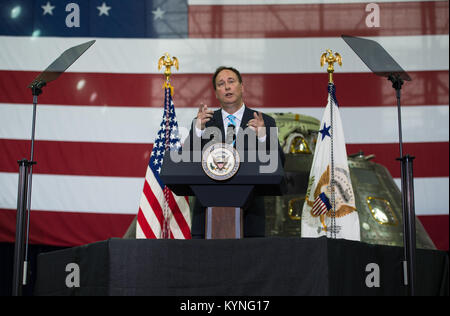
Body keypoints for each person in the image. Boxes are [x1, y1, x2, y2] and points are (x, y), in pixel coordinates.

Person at [186, 66, 285, 239]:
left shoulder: (264, 122)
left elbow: (279, 163)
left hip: (250, 217)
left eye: (231, 81)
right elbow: (185, 161)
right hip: (206, 216)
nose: (227, 87)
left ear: (242, 87)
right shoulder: (203, 123)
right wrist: (197, 132)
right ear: (216, 93)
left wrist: (263, 137)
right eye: (221, 84)